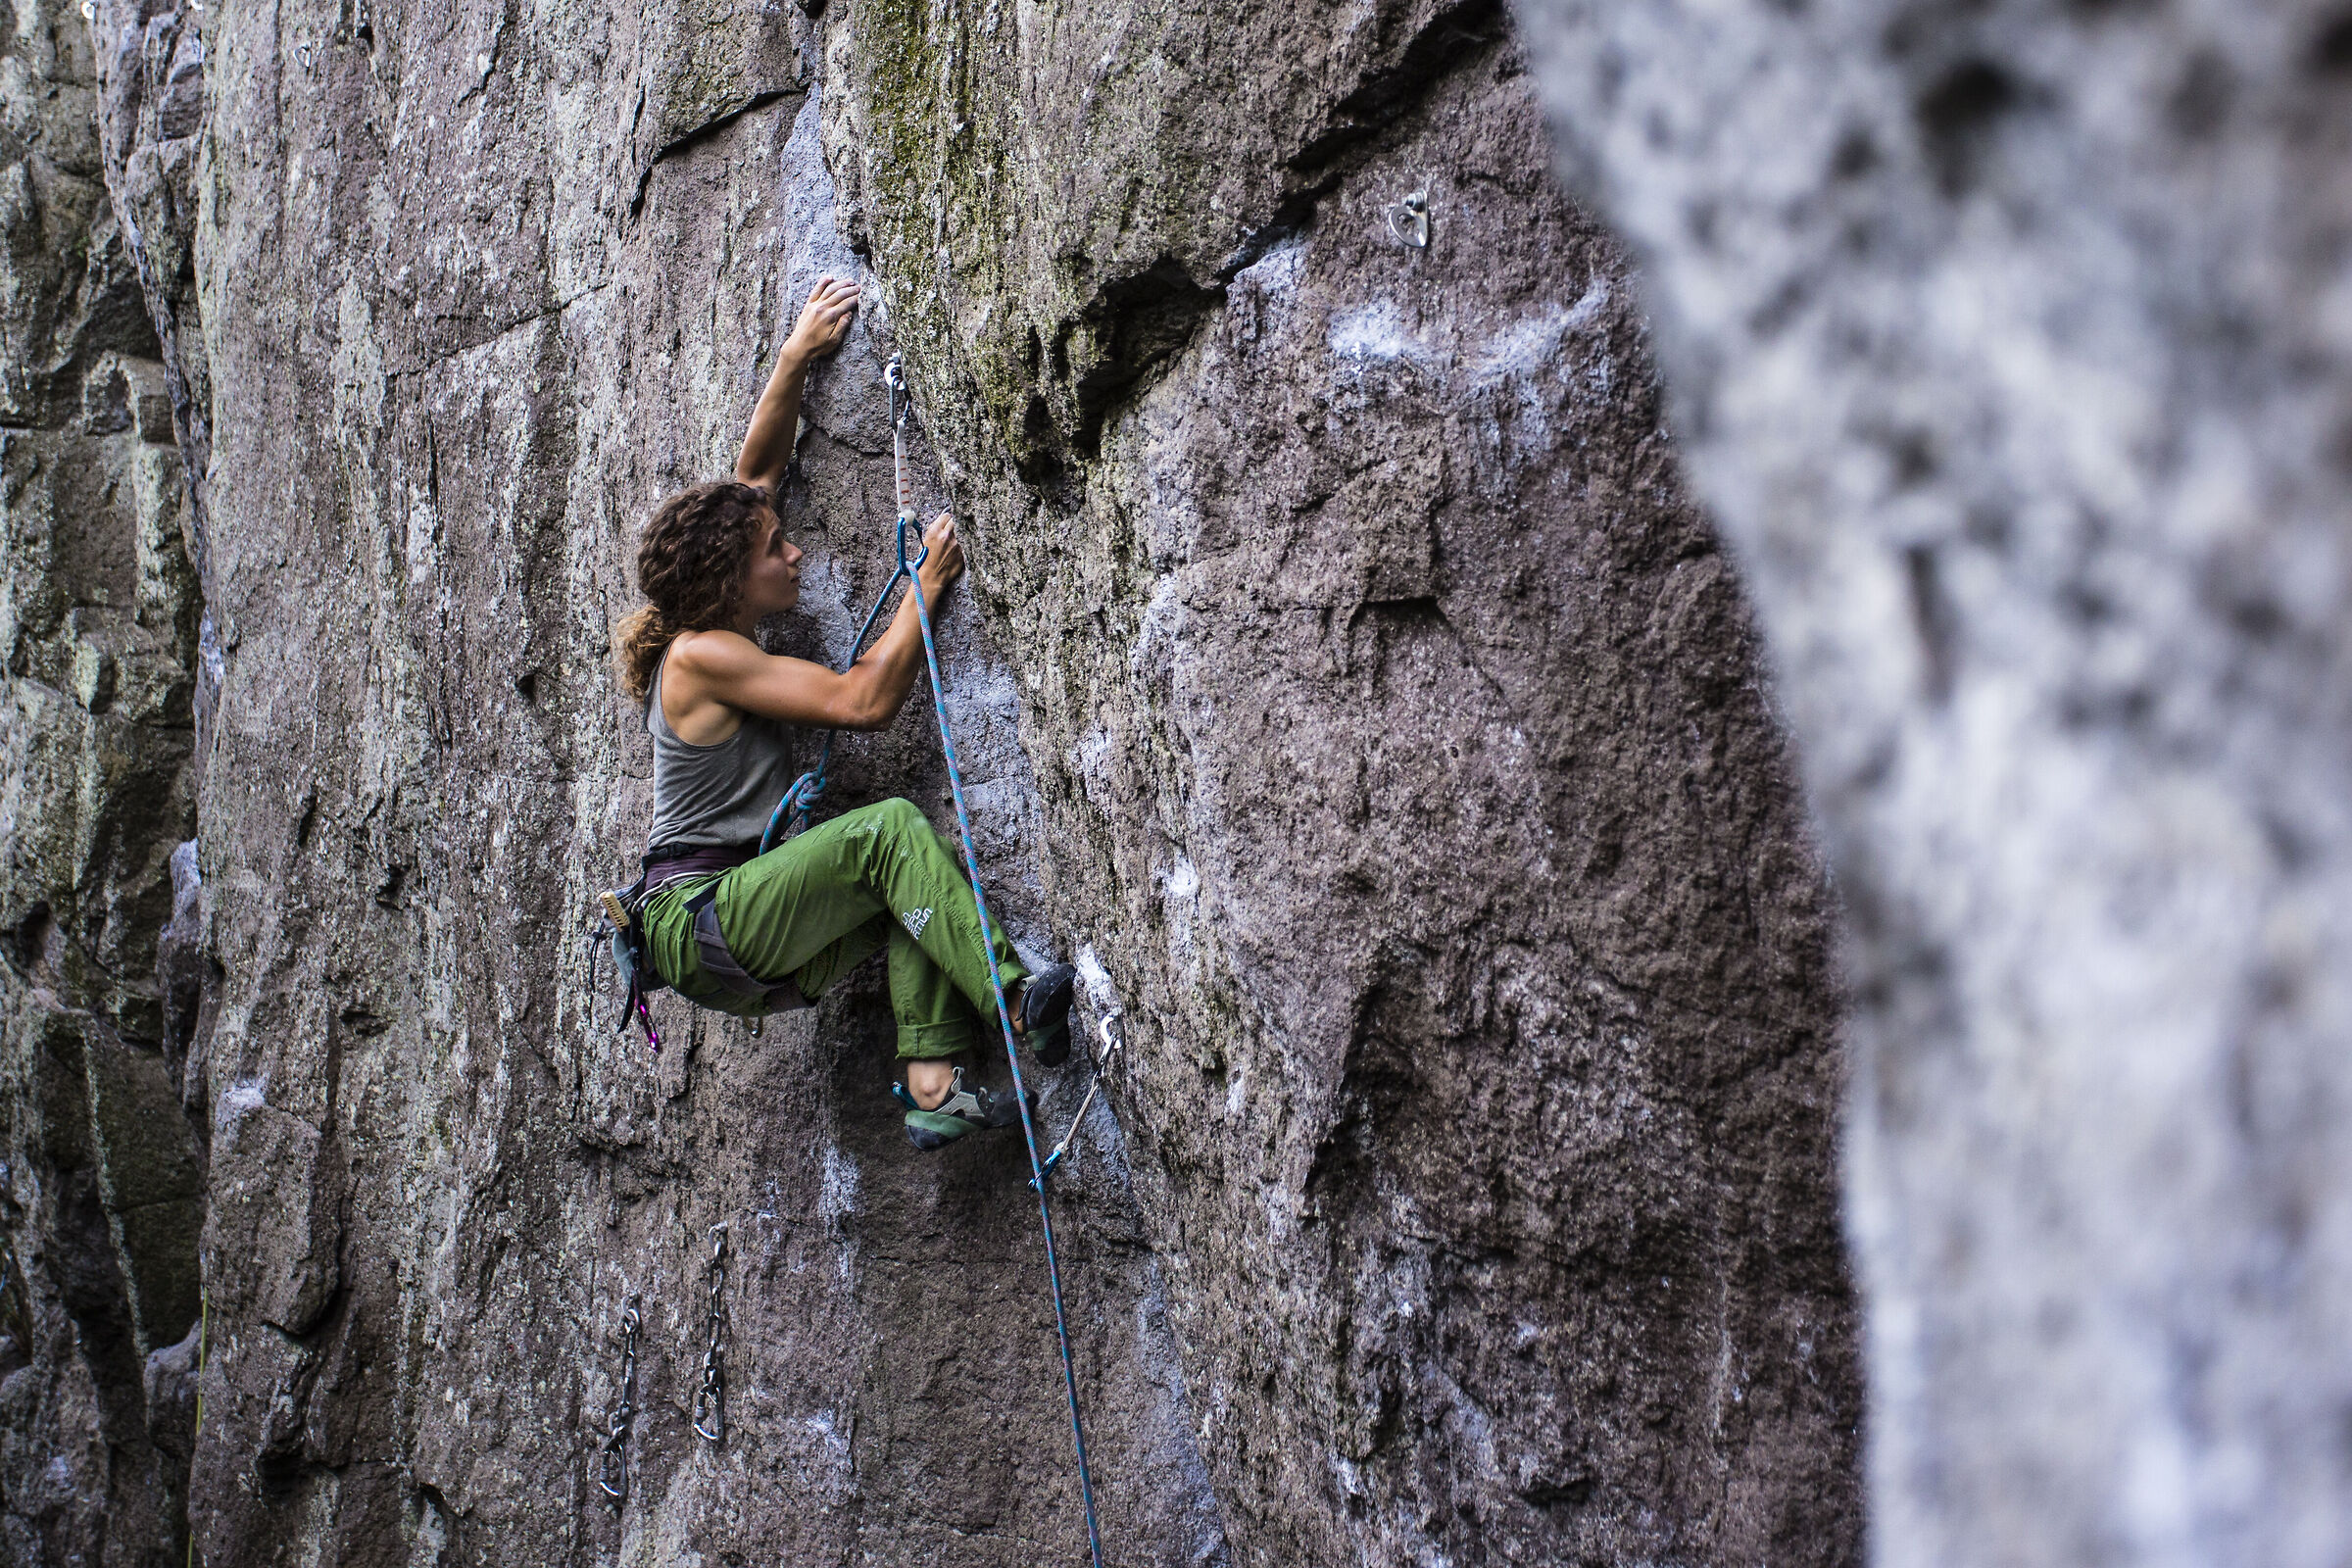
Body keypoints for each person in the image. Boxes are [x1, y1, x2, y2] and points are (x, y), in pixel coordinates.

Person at [612, 276, 1073, 1152]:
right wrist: (924, 587)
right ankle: (1014, 1002)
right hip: (700, 916)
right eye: (775, 549)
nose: (794, 553)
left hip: (717, 939)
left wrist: (794, 360)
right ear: (730, 579)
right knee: (888, 833)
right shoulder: (701, 656)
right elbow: (864, 701)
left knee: (915, 887)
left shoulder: (711, 623)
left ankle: (934, 1088)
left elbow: (753, 481)